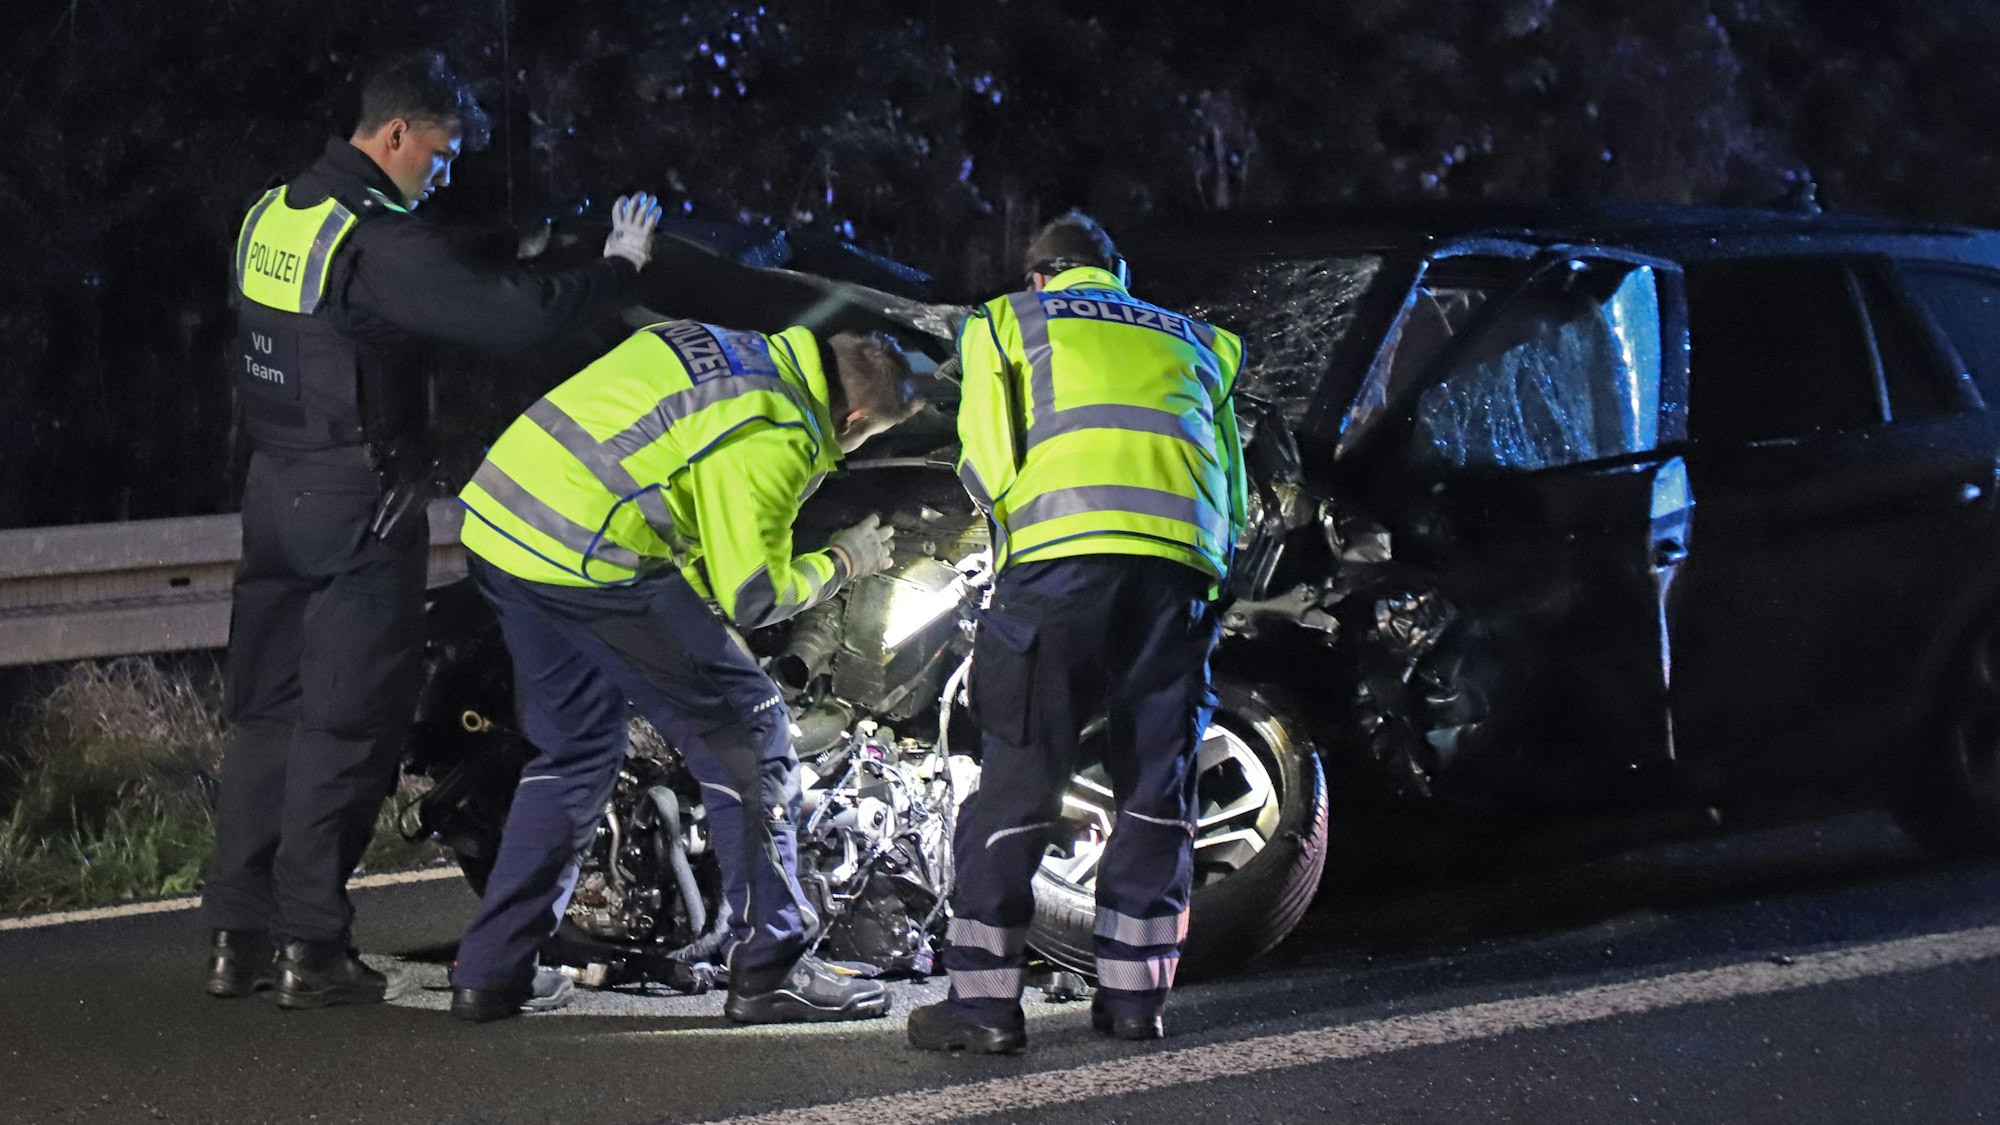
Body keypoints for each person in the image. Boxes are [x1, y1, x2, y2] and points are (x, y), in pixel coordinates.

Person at [200, 49, 664, 1009]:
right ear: (397, 134)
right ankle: (311, 950)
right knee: (347, 724)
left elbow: (412, 275)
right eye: (442, 155)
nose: (444, 173)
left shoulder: (275, 214)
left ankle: (235, 939)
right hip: (356, 502)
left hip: (274, 492)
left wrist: (511, 242)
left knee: (268, 719)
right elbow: (512, 321)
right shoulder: (378, 244)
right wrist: (615, 271)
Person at [444, 317, 923, 1022]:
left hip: (503, 526)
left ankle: (492, 972)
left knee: (576, 752)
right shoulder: (776, 428)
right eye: (870, 435)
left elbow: (674, 486)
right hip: (589, 555)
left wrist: (699, 616)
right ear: (855, 419)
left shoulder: (720, 344)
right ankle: (772, 965)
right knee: (751, 731)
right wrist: (845, 561)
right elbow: (754, 594)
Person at [907, 211, 1247, 1053]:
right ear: (1117, 274)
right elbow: (1233, 493)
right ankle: (1135, 1001)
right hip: (1176, 578)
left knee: (1020, 778)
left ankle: (984, 1007)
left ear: (1038, 275)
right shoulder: (1196, 340)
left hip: (1059, 570)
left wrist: (1015, 546)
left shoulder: (1007, 321)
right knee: (1156, 783)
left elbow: (985, 461)